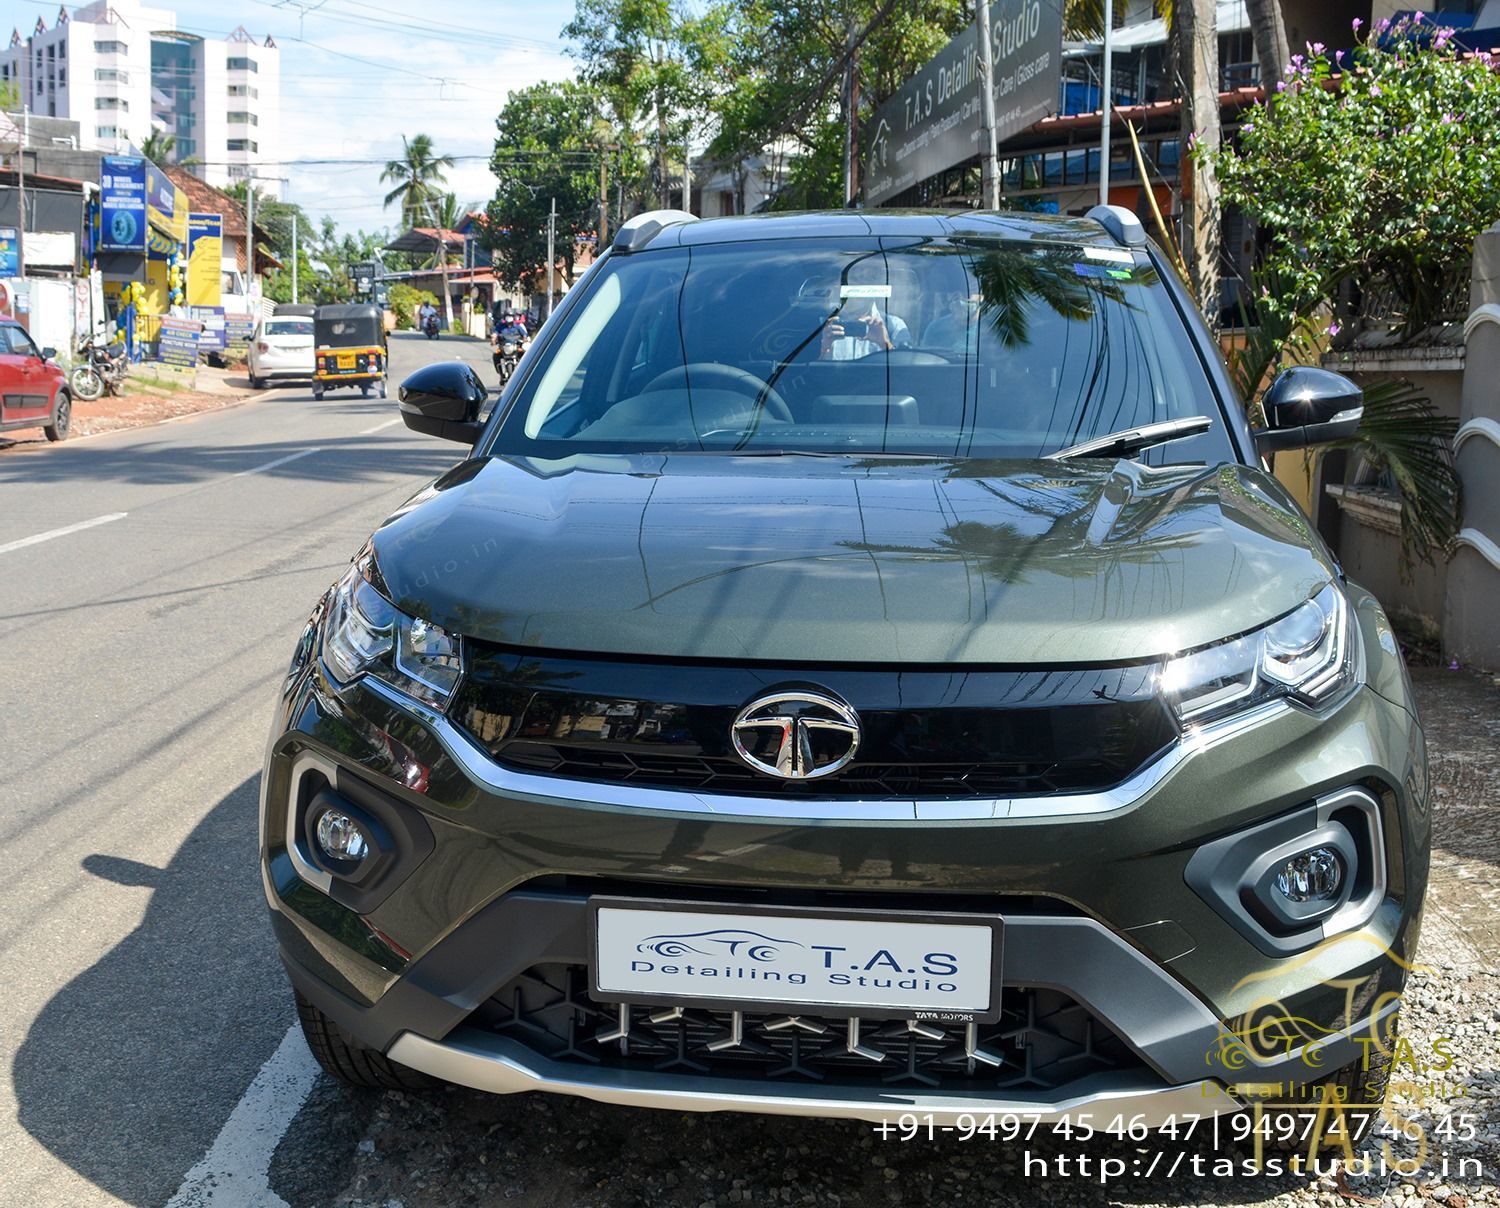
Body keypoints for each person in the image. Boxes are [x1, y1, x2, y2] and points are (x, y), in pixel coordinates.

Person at [820, 293, 911, 360]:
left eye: (861, 280)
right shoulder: (825, 325)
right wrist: (824, 348)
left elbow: (905, 372)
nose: (855, 292)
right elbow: (814, 374)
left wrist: (885, 344)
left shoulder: (894, 325)